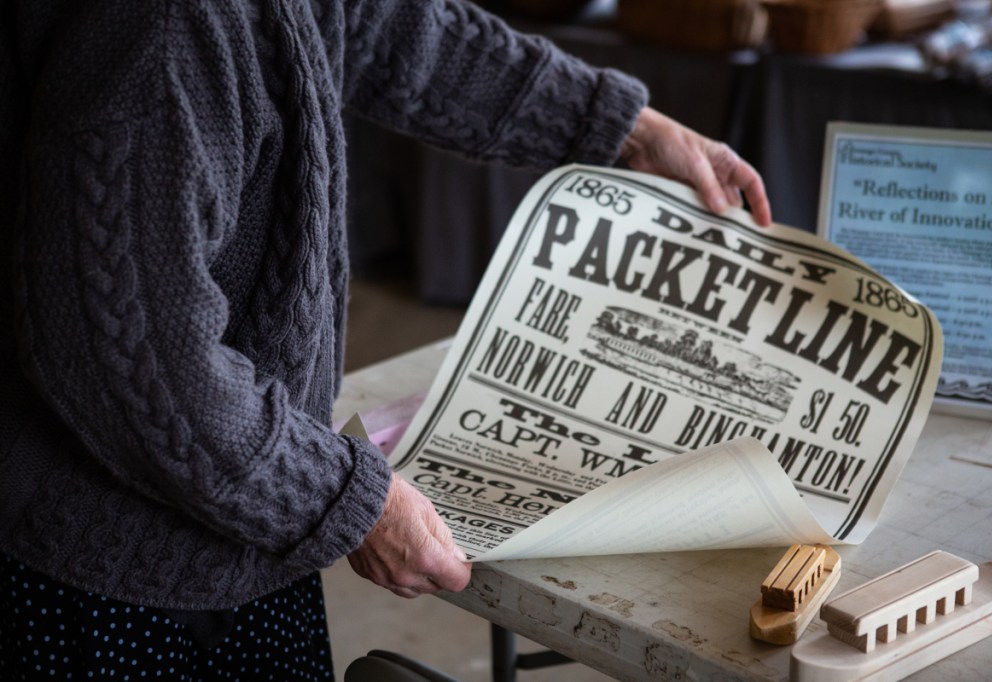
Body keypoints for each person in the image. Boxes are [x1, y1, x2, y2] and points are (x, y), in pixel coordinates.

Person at [0, 0, 771, 678]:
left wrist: (625, 130)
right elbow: (142, 370)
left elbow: (398, 32)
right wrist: (346, 500)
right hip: (112, 579)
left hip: (238, 532)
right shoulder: (163, 33)